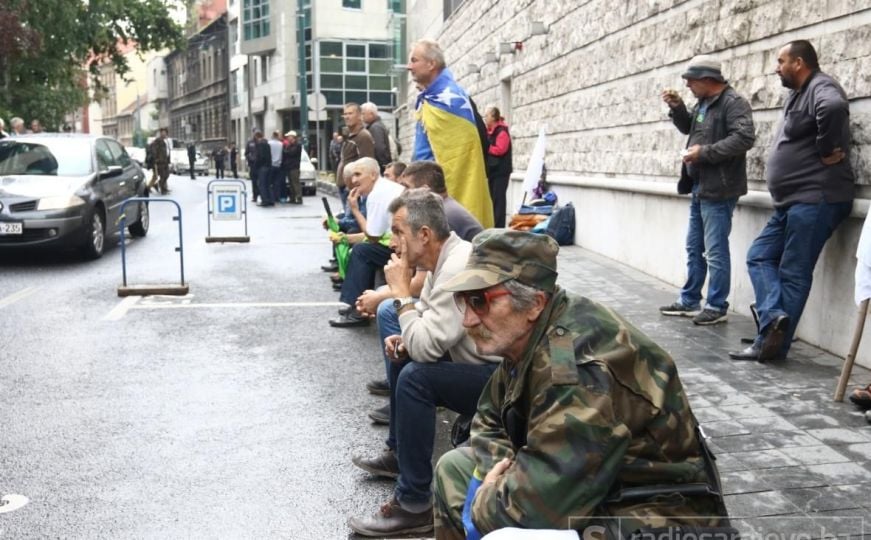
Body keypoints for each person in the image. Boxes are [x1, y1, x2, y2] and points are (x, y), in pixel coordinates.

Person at [432, 230, 730, 539]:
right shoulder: (527, 331)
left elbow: (534, 512)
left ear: (534, 303)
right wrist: (501, 469)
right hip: (599, 490)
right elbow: (488, 415)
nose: (467, 319)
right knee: (455, 468)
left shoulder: (575, 369)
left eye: (479, 301)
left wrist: (483, 501)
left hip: (657, 515)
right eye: (463, 300)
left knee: (506, 532)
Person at [348, 190, 501, 538]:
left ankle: (414, 504)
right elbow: (429, 332)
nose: (392, 241)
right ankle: (401, 457)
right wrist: (406, 339)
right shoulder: (442, 261)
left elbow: (428, 345)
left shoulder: (457, 265)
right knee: (407, 360)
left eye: (399, 232)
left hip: (507, 382)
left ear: (425, 235)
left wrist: (402, 294)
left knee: (416, 377)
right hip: (484, 367)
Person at [729, 40, 855, 363]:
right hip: (793, 202)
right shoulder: (798, 93)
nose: (776, 67)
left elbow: (834, 108)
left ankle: (772, 345)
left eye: (781, 61)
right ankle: (772, 320)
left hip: (816, 199)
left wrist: (827, 149)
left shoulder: (821, 87)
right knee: (759, 256)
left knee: (794, 272)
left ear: (799, 63)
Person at [658, 55, 756, 326]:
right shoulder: (704, 103)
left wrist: (705, 153)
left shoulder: (733, 103)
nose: (687, 85)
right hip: (700, 186)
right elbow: (691, 128)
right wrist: (678, 109)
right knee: (694, 247)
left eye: (691, 80)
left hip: (720, 189)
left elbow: (745, 138)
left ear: (706, 80)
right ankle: (690, 300)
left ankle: (716, 305)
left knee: (714, 250)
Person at [409, 38, 493, 228]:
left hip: (441, 193)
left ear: (431, 64)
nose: (409, 66)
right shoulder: (430, 98)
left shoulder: (451, 99)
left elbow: (462, 157)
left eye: (414, 60)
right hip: (424, 188)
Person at [330, 157, 404, 327]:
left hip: (406, 246)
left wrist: (355, 209)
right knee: (365, 250)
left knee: (362, 251)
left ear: (372, 175)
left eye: (358, 174)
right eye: (353, 175)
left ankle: (358, 310)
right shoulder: (383, 189)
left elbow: (373, 235)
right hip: (402, 241)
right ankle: (362, 304)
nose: (354, 180)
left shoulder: (377, 194)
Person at [337, 103, 376, 212]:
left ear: (359, 116)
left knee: (352, 224)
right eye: (345, 114)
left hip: (353, 189)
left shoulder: (363, 136)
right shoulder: (350, 135)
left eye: (350, 113)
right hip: (345, 186)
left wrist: (357, 189)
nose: (347, 117)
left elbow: (367, 164)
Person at [483, 106, 513, 228]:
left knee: (499, 200)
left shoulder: (502, 132)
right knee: (493, 200)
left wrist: (487, 148)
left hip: (501, 173)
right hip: (493, 172)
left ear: (493, 117)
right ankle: (494, 225)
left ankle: (499, 227)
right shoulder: (490, 131)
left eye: (487, 116)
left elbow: (501, 149)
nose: (485, 118)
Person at [362, 102, 392, 172]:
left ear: (371, 114)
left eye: (363, 113)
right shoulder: (376, 126)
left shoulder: (375, 128)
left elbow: (379, 148)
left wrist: (383, 166)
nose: (362, 116)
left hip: (378, 168)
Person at [147, 128, 171, 195]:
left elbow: (167, 151)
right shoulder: (158, 141)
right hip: (159, 162)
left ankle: (156, 186)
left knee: (166, 175)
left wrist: (168, 160)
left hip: (165, 161)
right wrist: (156, 159)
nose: (164, 134)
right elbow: (153, 149)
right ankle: (162, 189)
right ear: (161, 133)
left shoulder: (165, 141)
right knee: (163, 175)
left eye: (165, 132)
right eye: (163, 132)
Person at [253, 130, 274, 207]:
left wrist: (256, 165)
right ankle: (271, 199)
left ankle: (265, 200)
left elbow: (260, 157)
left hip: (262, 167)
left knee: (262, 184)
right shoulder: (267, 144)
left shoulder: (260, 144)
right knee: (268, 184)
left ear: (256, 137)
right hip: (269, 166)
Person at [283, 130, 303, 204]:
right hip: (289, 167)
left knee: (295, 183)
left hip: (294, 167)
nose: (287, 138)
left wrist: (285, 151)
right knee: (291, 183)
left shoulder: (297, 145)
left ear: (292, 137)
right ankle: (292, 197)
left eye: (289, 137)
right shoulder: (289, 145)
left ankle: (299, 197)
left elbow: (291, 153)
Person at [268, 130, 284, 203]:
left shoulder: (269, 143)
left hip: (271, 165)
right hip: (278, 165)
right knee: (277, 183)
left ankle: (271, 197)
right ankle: (277, 196)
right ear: (277, 136)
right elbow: (282, 154)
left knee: (270, 182)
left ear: (272, 135)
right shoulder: (281, 144)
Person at [245, 132, 259, 202]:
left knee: (261, 181)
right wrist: (250, 158)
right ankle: (255, 196)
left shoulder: (261, 141)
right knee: (254, 181)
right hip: (253, 164)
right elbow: (246, 153)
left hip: (260, 165)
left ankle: (261, 195)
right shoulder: (250, 142)